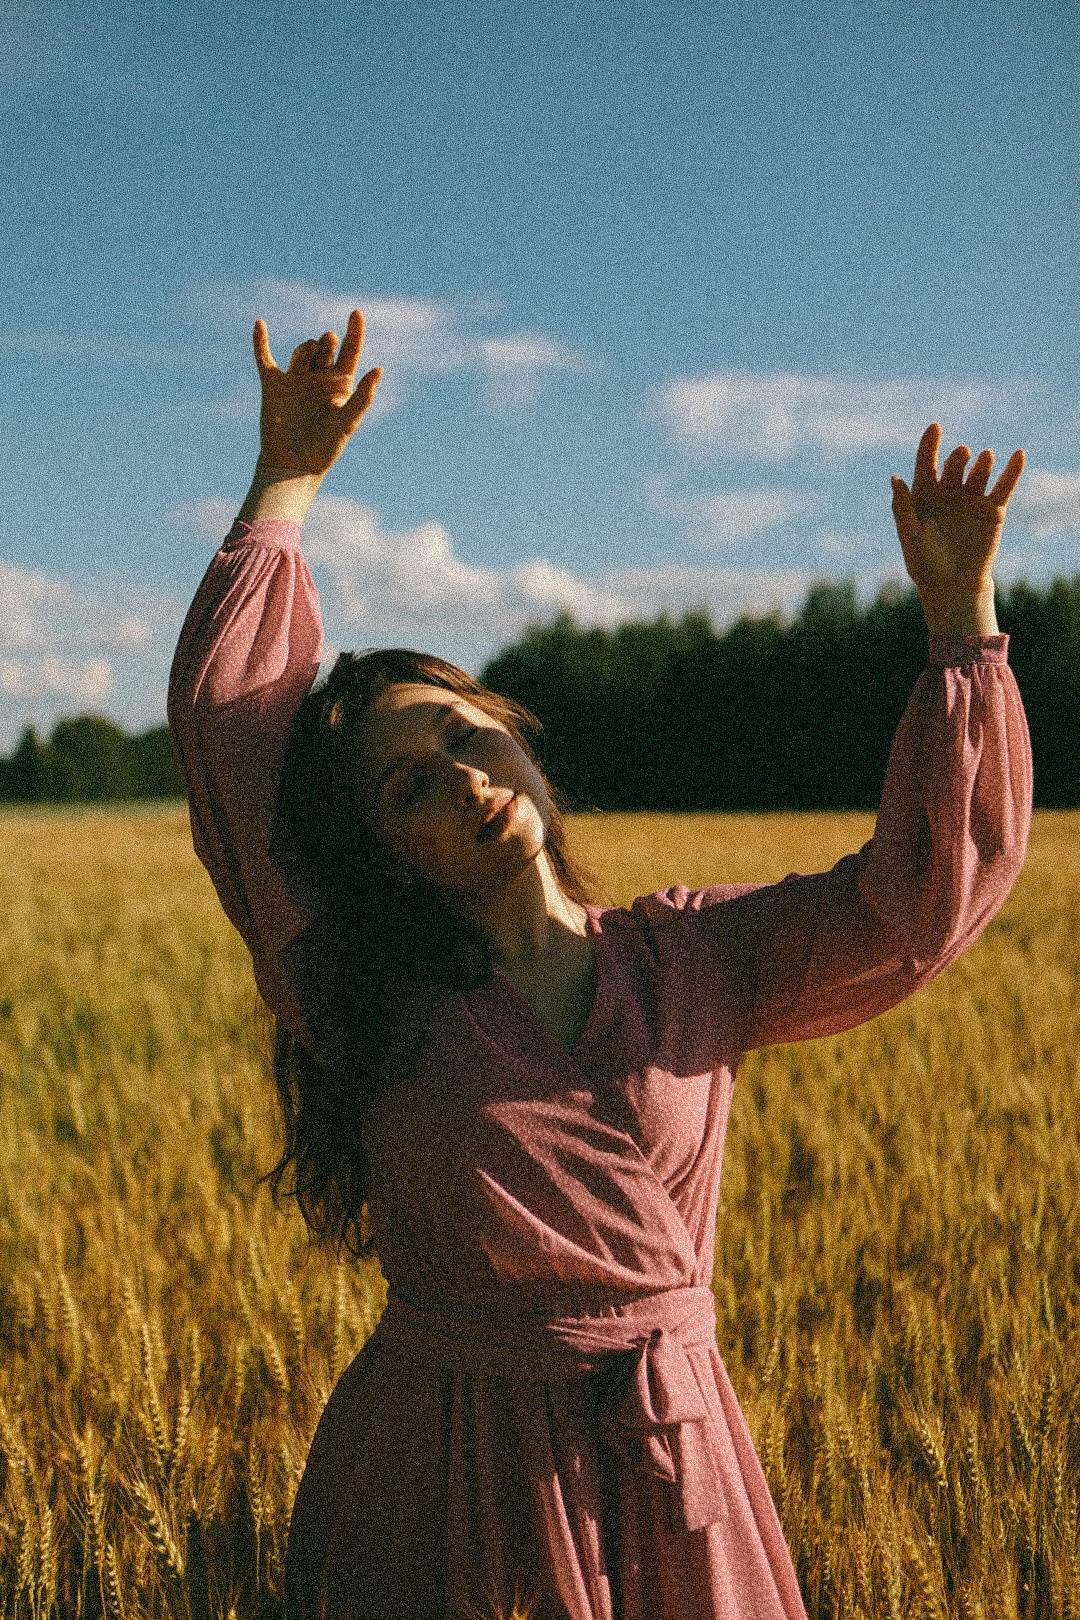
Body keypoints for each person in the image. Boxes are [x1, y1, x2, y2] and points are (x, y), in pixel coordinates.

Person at [168, 309, 1032, 1620]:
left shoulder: (699, 956)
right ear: (387, 855)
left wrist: (961, 626)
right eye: (410, 786)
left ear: (515, 734)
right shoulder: (354, 988)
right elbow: (233, 743)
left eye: (466, 737)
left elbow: (917, 902)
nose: (462, 780)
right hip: (446, 1474)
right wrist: (286, 477)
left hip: (673, 1462)